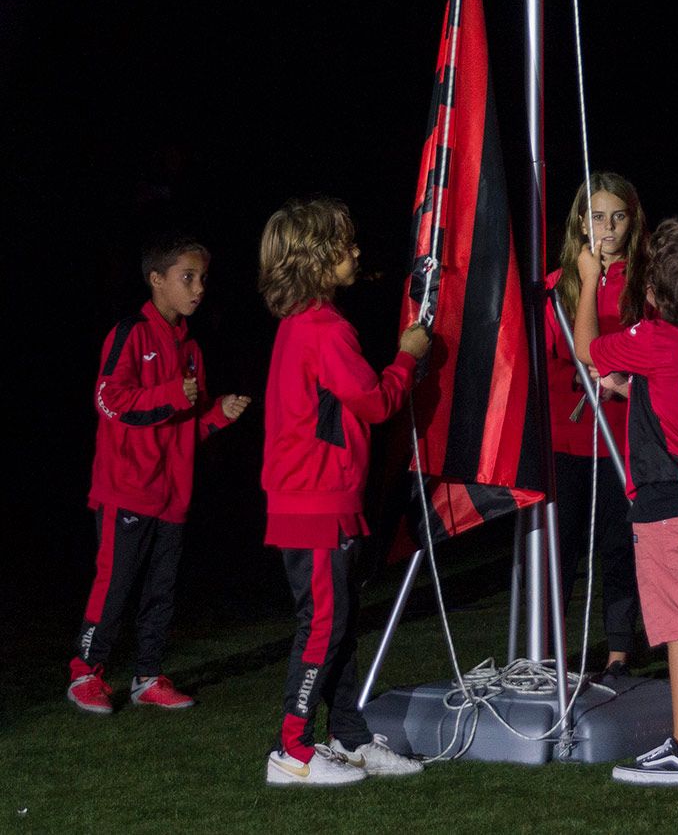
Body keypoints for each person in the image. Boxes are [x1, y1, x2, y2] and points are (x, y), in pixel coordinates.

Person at [257, 197, 430, 786]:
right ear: (316, 259)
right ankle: (291, 750)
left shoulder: (304, 325)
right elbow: (376, 402)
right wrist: (408, 358)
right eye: (344, 244)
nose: (356, 251)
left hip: (326, 499)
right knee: (325, 626)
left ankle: (348, 737)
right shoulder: (324, 330)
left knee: (341, 623)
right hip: (315, 502)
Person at [574, 219, 678, 786]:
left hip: (670, 506)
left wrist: (588, 280)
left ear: (655, 290)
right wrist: (632, 388)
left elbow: (586, 348)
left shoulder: (654, 337)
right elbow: (676, 390)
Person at [68, 236, 251, 715]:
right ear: (156, 280)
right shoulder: (130, 333)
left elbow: (189, 426)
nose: (199, 288)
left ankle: (147, 677)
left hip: (174, 496)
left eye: (202, 278)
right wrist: (171, 394)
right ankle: (85, 674)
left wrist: (219, 413)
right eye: (187, 277)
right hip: (126, 489)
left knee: (161, 592)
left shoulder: (191, 347)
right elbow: (108, 399)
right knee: (115, 584)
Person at [546, 173, 648, 677]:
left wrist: (621, 377)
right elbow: (546, 358)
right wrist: (581, 372)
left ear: (633, 221)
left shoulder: (645, 282)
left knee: (619, 548)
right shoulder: (555, 286)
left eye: (618, 216)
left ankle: (618, 654)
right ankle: (550, 654)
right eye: (597, 216)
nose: (608, 227)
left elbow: (656, 350)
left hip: (625, 437)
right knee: (560, 550)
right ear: (580, 222)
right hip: (566, 441)